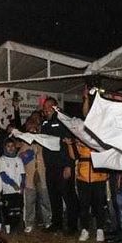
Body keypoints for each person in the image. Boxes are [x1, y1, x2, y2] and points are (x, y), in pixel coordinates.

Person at [40, 97, 79, 234]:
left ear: (55, 107)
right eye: (44, 107)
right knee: (54, 196)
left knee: (68, 196)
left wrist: (69, 165)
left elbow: (69, 143)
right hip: (50, 167)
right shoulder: (44, 123)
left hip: (63, 166)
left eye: (48, 106)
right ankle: (57, 224)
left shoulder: (63, 121)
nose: (45, 109)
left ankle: (72, 226)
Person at [68, 137, 109, 242]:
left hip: (99, 176)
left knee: (99, 204)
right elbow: (74, 156)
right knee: (83, 205)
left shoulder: (100, 138)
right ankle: (85, 229)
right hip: (83, 177)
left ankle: (100, 229)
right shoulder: (79, 138)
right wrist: (70, 144)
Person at [19, 117, 51, 233]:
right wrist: (28, 154)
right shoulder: (24, 143)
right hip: (29, 176)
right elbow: (20, 159)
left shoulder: (43, 141)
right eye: (30, 128)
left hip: (42, 175)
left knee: (45, 200)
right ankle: (29, 223)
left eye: (34, 128)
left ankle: (48, 221)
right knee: (29, 201)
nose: (32, 130)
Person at [0, 138, 25, 234]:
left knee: (17, 209)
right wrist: (13, 184)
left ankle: (17, 227)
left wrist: (22, 186)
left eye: (12, 146)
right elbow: (3, 175)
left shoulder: (18, 159)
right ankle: (8, 227)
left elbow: (22, 174)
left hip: (18, 191)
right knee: (8, 209)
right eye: (8, 146)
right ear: (5, 147)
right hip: (7, 189)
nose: (10, 148)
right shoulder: (2, 159)